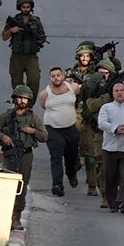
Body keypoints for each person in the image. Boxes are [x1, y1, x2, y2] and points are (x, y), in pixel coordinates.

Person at [84, 60, 124, 208]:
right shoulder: (94, 90)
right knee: (103, 166)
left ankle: (121, 199)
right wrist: (109, 96)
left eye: (106, 73)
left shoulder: (121, 95)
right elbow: (91, 105)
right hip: (101, 135)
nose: (104, 77)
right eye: (101, 73)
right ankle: (105, 196)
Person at [0, 85, 48, 229]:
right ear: (15, 98)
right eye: (20, 98)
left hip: (26, 155)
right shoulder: (6, 116)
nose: (23, 101)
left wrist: (32, 130)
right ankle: (5, 215)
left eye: (26, 99)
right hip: (10, 154)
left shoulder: (34, 118)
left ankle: (16, 217)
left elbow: (44, 136)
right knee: (7, 184)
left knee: (21, 185)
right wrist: (2, 136)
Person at [98, 82, 124, 213]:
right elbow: (101, 123)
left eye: (122, 90)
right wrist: (114, 128)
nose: (119, 92)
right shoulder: (106, 107)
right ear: (112, 93)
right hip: (110, 148)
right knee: (110, 177)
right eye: (116, 90)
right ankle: (113, 203)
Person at [38, 67, 81, 197]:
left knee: (71, 155)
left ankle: (71, 174)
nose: (56, 78)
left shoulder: (72, 87)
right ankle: (57, 185)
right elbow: (43, 105)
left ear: (63, 76)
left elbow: (79, 93)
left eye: (58, 75)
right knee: (56, 156)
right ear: (50, 78)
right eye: (53, 76)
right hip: (52, 128)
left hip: (70, 128)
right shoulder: (45, 93)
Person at [66, 42, 100, 197]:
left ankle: (92, 185)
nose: (85, 59)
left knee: (91, 154)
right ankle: (74, 166)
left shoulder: (97, 74)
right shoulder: (70, 73)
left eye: (87, 56)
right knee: (73, 142)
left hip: (91, 112)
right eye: (82, 56)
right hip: (75, 111)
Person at [2, 0, 46, 99]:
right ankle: (19, 102)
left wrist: (38, 39)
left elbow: (42, 37)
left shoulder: (36, 22)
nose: (26, 9)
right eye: (23, 7)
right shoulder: (14, 20)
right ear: (19, 7)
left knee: (34, 79)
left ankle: (29, 104)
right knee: (17, 82)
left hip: (31, 56)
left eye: (28, 7)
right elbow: (4, 37)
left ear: (31, 8)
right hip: (17, 56)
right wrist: (12, 30)